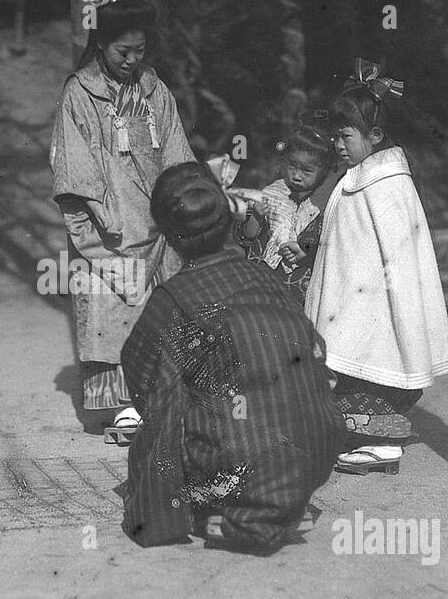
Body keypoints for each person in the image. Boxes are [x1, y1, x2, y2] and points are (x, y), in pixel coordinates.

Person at [121, 164, 343, 554]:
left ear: (171, 238)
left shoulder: (173, 298)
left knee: (162, 412)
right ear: (227, 224)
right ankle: (278, 499)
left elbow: (143, 377)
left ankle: (223, 512)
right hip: (315, 450)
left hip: (239, 460)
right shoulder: (267, 278)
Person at [48, 0, 199, 442]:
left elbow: (176, 155)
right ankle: (120, 407)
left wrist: (185, 199)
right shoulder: (81, 94)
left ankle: (156, 398)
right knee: (111, 312)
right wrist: (104, 224)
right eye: (122, 52)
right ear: (99, 45)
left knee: (159, 313)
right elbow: (76, 172)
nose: (132, 61)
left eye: (140, 51)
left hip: (157, 226)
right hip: (108, 230)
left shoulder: (156, 91)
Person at [304, 60, 448, 475]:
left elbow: (401, 256)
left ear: (375, 136)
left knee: (375, 368)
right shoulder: (356, 177)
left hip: (378, 306)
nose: (337, 143)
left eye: (345, 135)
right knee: (351, 370)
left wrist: (391, 304)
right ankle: (361, 434)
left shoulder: (387, 185)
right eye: (334, 134)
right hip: (354, 300)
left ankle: (383, 444)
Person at [235, 109, 346, 297]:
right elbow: (247, 236)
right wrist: (257, 216)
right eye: (292, 165)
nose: (296, 175)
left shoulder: (325, 204)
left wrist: (306, 250)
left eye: (306, 171)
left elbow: (326, 242)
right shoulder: (274, 192)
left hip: (300, 289)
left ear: (325, 169)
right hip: (262, 281)